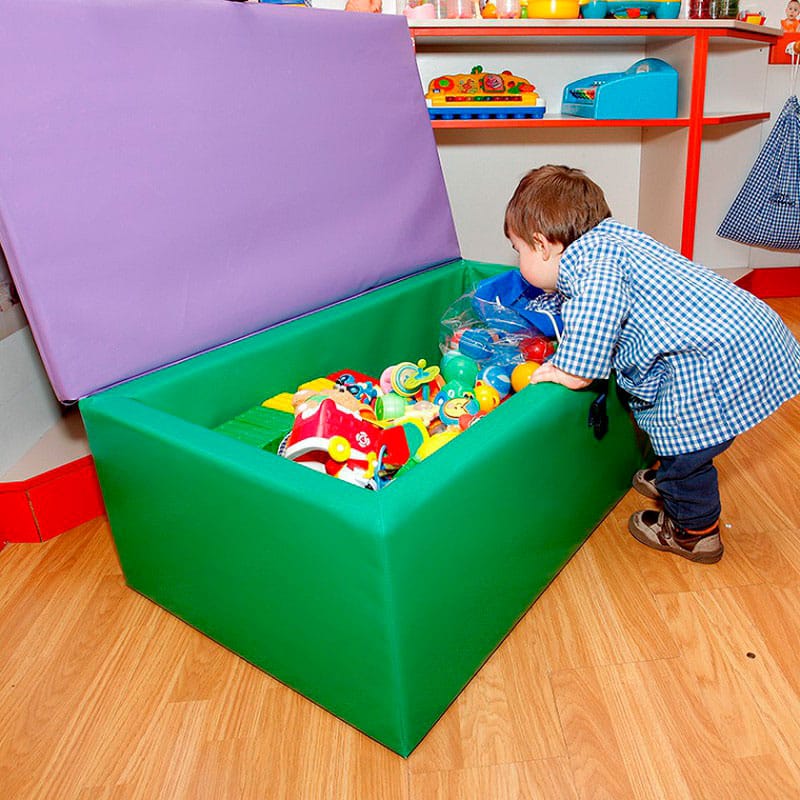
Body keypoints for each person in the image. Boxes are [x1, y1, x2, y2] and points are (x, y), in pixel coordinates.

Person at [504, 164, 800, 564]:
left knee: (687, 447)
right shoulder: (612, 239)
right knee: (685, 439)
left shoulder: (586, 264)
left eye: (518, 250)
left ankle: (694, 532)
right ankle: (673, 478)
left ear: (542, 245)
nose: (519, 260)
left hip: (716, 356)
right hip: (748, 332)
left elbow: (599, 306)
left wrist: (572, 368)